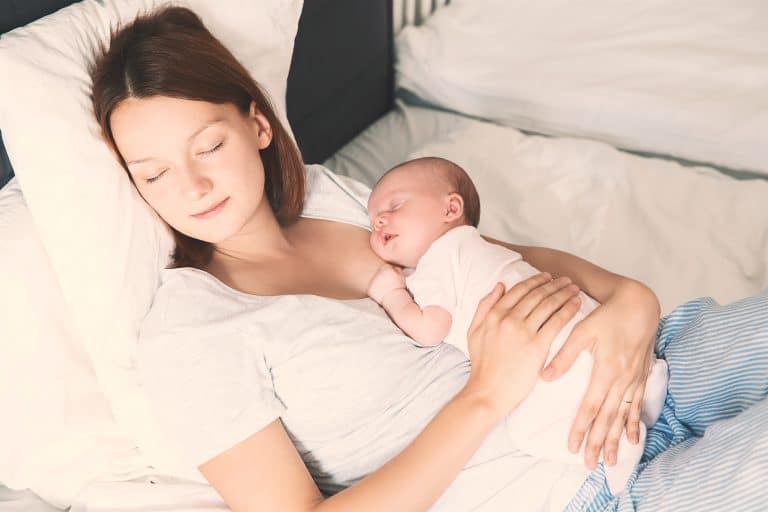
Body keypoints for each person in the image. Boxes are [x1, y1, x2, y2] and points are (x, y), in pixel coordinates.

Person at [89, 6, 768, 512]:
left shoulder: (333, 198)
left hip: (650, 364)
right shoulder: (188, 332)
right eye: (153, 174)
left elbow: (494, 253)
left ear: (257, 126)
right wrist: (486, 395)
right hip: (576, 490)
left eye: (207, 147)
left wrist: (630, 302)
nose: (194, 187)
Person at [365, 156, 669, 494]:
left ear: (451, 208)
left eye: (395, 205)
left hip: (546, 361)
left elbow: (429, 327)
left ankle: (618, 448)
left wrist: (392, 295)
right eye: (373, 219)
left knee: (527, 432)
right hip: (582, 321)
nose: (379, 220)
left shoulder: (432, 264)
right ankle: (651, 380)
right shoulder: (478, 245)